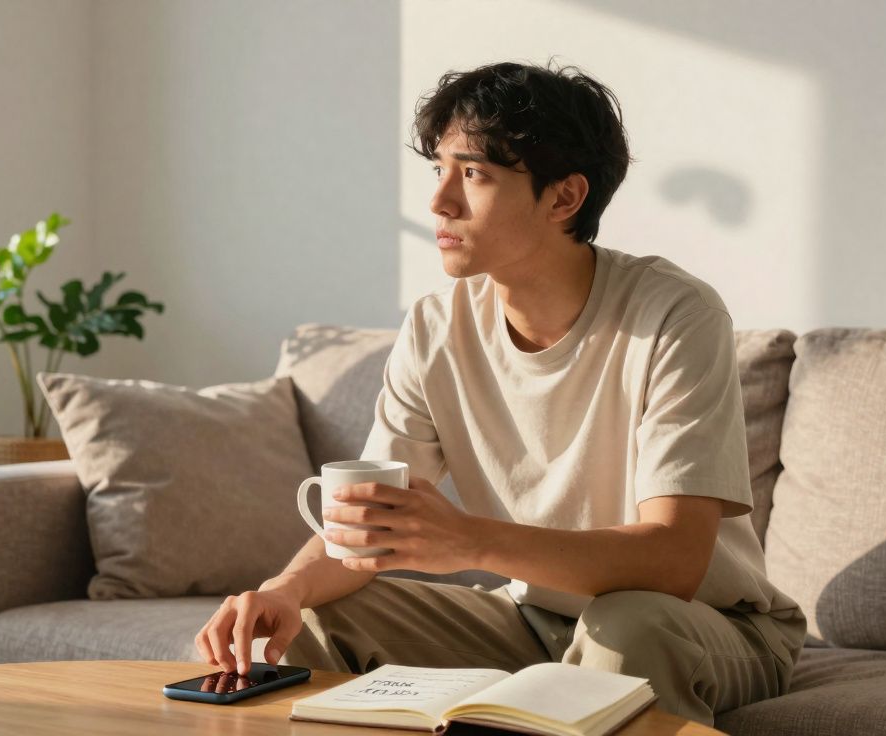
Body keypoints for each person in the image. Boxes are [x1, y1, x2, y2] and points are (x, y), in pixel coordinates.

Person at [194, 59, 805, 726]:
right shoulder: (435, 327)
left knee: (627, 626)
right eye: (438, 170)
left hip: (705, 625)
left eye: (474, 174)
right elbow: (366, 528)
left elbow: (674, 561)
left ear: (564, 198)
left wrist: (472, 543)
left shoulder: (674, 316)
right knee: (310, 619)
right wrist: (282, 590)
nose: (439, 202)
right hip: (533, 620)